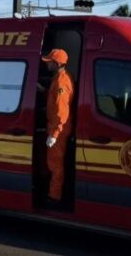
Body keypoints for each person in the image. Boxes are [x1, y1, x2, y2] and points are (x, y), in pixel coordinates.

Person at [42, 49, 74, 206]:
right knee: (54, 163)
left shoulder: (61, 82)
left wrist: (54, 134)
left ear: (57, 63)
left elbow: (62, 112)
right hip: (57, 127)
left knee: (55, 164)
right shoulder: (60, 79)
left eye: (50, 62)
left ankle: (54, 197)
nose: (47, 64)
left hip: (58, 129)